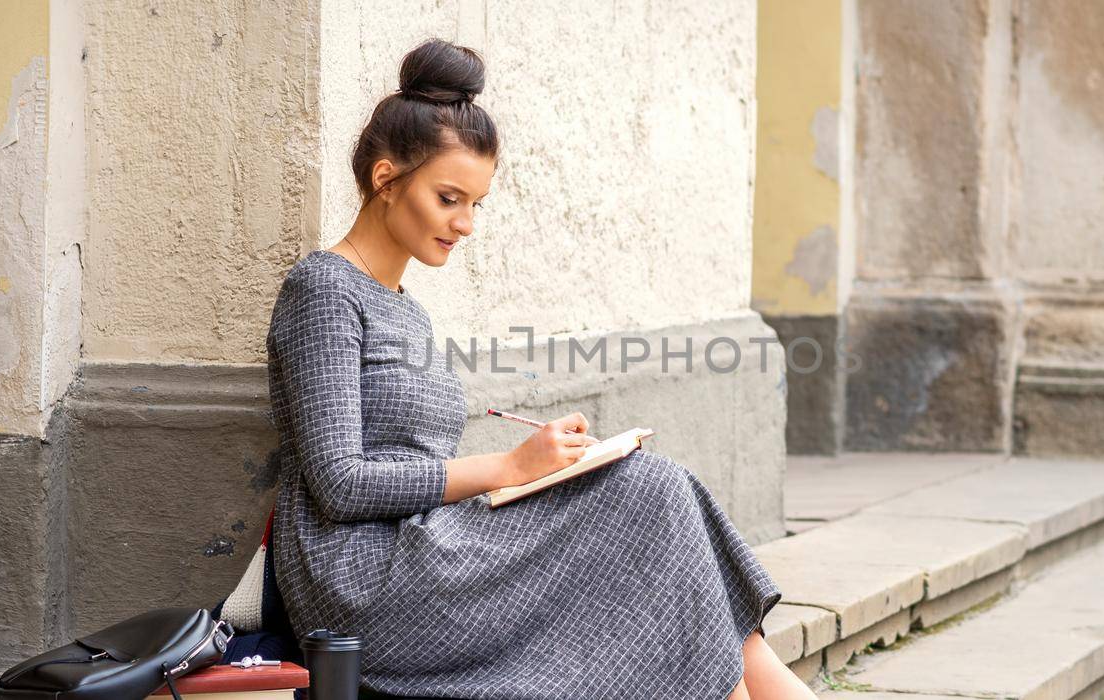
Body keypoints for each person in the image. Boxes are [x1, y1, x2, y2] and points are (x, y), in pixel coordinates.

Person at [267, 37, 812, 700]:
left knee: (655, 491)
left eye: (477, 203)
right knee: (647, 497)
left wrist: (540, 470)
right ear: (386, 179)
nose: (466, 223)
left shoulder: (406, 309)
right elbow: (341, 486)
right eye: (449, 198)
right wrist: (508, 469)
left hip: (428, 550)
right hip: (360, 581)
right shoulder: (322, 290)